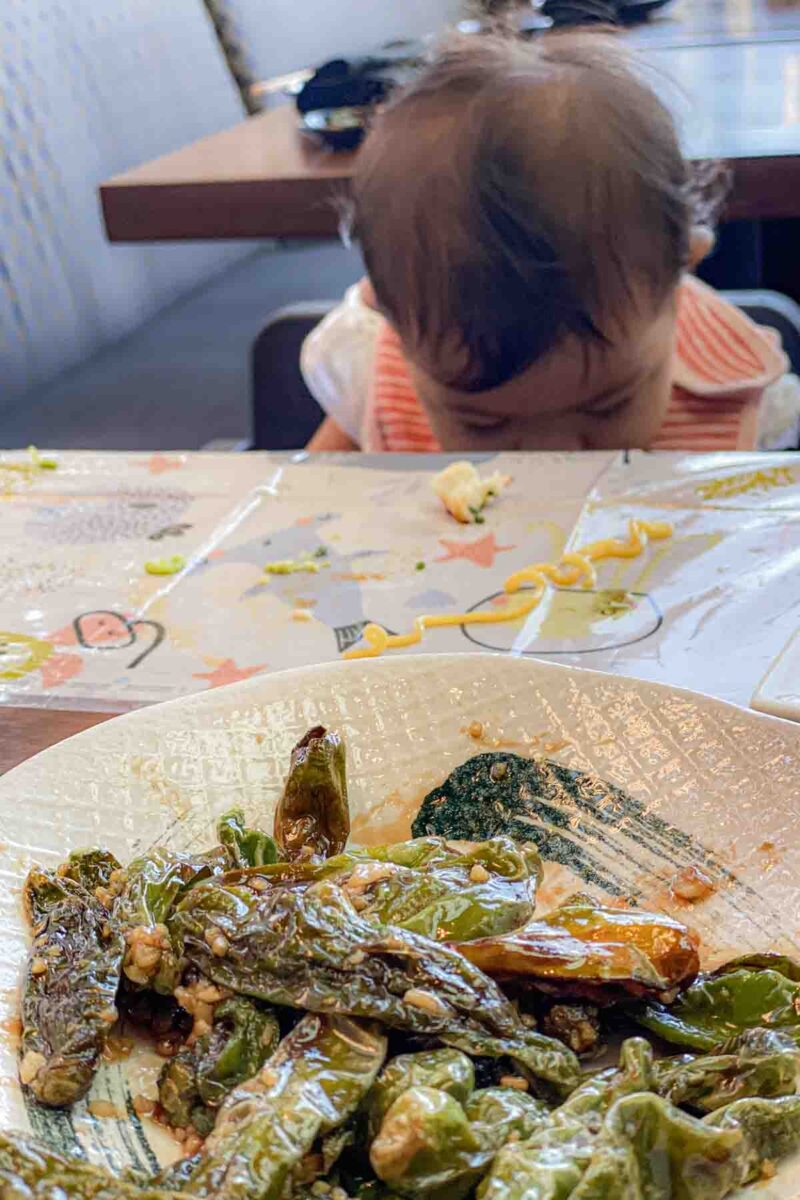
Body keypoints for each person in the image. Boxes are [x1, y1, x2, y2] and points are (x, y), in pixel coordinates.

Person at [303, 33, 800, 452]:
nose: (553, 456)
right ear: (390, 314)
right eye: (484, 424)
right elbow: (308, 503)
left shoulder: (746, 402)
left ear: (677, 277)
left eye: (607, 407)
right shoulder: (372, 375)